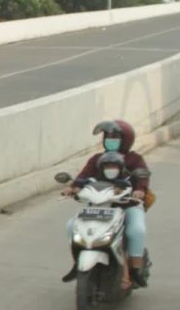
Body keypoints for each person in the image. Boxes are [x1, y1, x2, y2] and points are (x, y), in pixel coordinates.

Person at [64, 119, 150, 289]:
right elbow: (82, 178)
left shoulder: (134, 159)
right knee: (71, 226)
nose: (110, 140)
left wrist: (139, 190)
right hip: (99, 207)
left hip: (127, 205)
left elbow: (142, 179)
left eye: (115, 137)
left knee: (136, 230)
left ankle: (135, 270)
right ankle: (78, 261)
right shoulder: (96, 158)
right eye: (108, 136)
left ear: (125, 139)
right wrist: (72, 188)